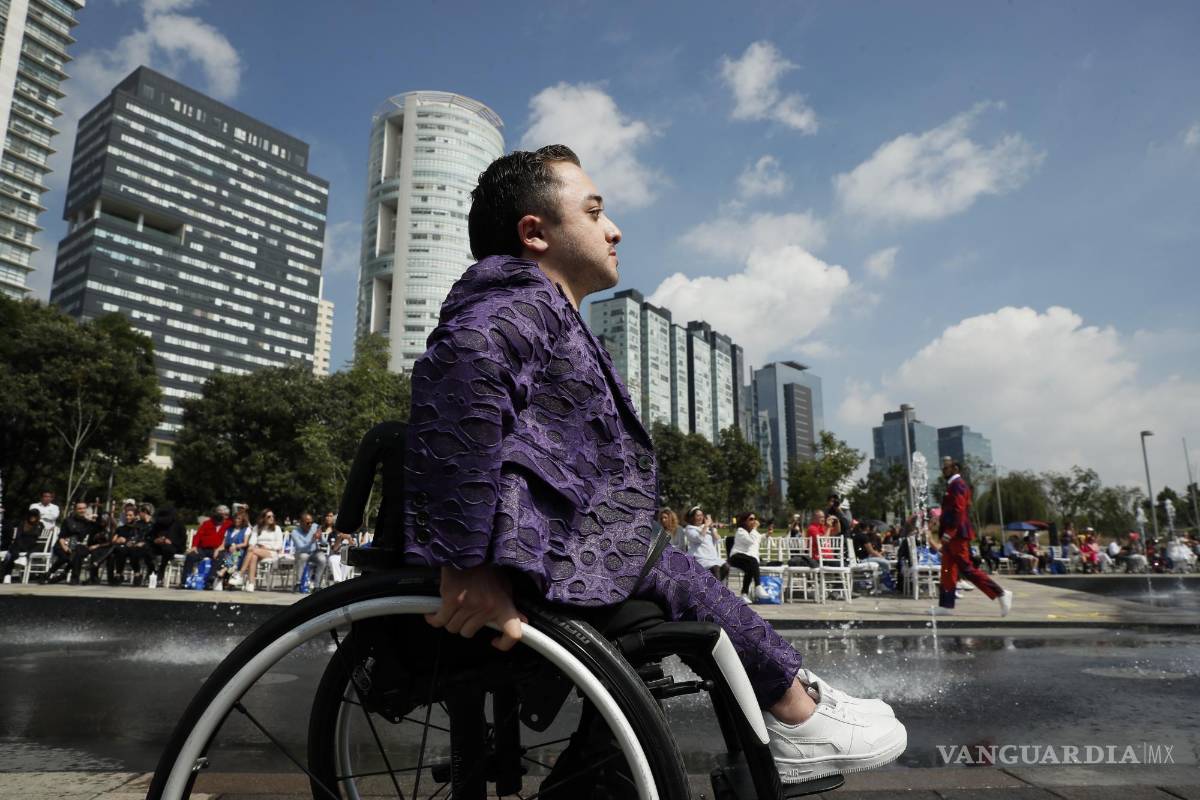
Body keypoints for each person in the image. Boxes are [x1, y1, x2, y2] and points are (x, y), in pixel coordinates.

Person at [401, 145, 904, 781]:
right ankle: (795, 710)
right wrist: (466, 564)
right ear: (535, 232)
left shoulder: (544, 308)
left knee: (675, 580)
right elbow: (459, 378)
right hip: (539, 557)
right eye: (594, 212)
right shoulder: (515, 303)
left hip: (584, 546)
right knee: (675, 578)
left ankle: (794, 701)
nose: (613, 229)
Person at [931, 458, 1011, 617]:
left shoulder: (958, 485)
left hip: (957, 535)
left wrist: (949, 532)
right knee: (947, 569)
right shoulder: (952, 485)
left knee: (966, 568)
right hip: (952, 535)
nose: (943, 470)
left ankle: (1000, 593)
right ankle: (946, 606)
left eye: (946, 468)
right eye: (942, 468)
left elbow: (958, 510)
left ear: (955, 468)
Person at [41, 501, 96, 584]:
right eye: (79, 508)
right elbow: (61, 536)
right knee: (66, 557)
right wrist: (66, 548)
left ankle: (69, 576)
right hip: (64, 543)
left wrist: (92, 521)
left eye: (84, 508)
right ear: (75, 510)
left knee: (77, 552)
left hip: (79, 545)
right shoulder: (68, 521)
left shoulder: (88, 522)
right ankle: (51, 573)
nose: (82, 510)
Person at [181, 505, 231, 589]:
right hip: (203, 549)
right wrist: (194, 546)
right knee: (190, 556)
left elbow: (243, 523)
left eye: (226, 515)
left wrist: (219, 549)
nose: (224, 516)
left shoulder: (229, 524)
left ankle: (209, 582)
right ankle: (185, 581)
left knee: (219, 558)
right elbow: (198, 535)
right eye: (221, 514)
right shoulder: (207, 523)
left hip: (217, 549)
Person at [240, 509, 285, 592]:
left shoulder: (277, 528)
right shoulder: (257, 528)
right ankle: (251, 584)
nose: (271, 518)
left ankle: (240, 574)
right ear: (263, 518)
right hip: (257, 551)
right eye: (269, 516)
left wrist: (267, 547)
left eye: (273, 516)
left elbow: (279, 545)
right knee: (253, 556)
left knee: (252, 551)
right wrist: (254, 546)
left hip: (272, 552)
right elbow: (252, 542)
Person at [682, 506, 727, 583]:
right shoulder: (689, 528)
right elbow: (699, 538)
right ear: (692, 517)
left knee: (726, 567)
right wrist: (706, 526)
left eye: (702, 515)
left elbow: (718, 540)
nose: (700, 517)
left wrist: (711, 527)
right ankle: (716, 589)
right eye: (698, 515)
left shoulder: (708, 527)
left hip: (712, 557)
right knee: (715, 568)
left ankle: (712, 586)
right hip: (700, 558)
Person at [146, 507, 186, 588]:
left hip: (174, 547)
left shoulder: (179, 525)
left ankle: (162, 569)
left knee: (167, 548)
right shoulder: (157, 525)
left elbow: (182, 539)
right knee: (146, 549)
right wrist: (155, 540)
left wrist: (171, 541)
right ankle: (151, 569)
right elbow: (150, 536)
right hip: (158, 546)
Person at [1, 508, 43, 583]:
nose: (32, 517)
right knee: (13, 553)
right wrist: (22, 546)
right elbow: (18, 536)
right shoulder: (23, 523)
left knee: (35, 547)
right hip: (19, 543)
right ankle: (7, 574)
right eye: (31, 515)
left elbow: (36, 534)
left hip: (31, 545)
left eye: (34, 516)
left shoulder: (40, 525)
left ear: (37, 517)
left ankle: (21, 561)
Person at [215, 507, 253, 589]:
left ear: (243, 520)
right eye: (235, 518)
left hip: (240, 552)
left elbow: (245, 543)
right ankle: (221, 578)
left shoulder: (246, 529)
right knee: (223, 556)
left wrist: (236, 546)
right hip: (228, 551)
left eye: (239, 518)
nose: (236, 520)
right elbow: (223, 544)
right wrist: (217, 549)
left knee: (235, 554)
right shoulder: (229, 530)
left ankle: (223, 570)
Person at [289, 512, 328, 592]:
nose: (310, 524)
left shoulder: (315, 526)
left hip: (314, 552)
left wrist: (320, 537)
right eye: (307, 523)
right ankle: (298, 583)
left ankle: (316, 586)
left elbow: (324, 543)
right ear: (301, 523)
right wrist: (312, 541)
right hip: (301, 553)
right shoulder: (295, 532)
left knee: (323, 559)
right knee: (303, 557)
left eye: (311, 522)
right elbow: (300, 548)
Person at [123, 504, 156, 586]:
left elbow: (154, 537)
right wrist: (130, 541)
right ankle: (137, 573)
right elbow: (133, 535)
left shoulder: (154, 524)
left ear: (145, 512)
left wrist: (144, 542)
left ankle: (151, 571)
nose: (138, 514)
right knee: (129, 550)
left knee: (146, 551)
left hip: (151, 546)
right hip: (137, 546)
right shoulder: (138, 523)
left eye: (140, 512)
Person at [324, 512, 357, 583]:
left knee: (350, 561)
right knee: (332, 560)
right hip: (336, 555)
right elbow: (334, 549)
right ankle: (340, 581)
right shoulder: (332, 534)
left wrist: (349, 539)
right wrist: (339, 538)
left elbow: (355, 548)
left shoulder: (351, 533)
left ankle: (339, 581)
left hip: (348, 555)